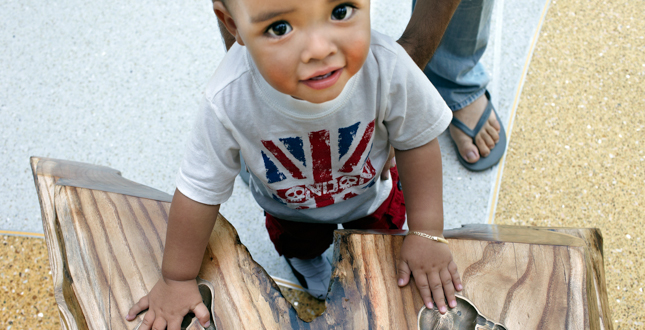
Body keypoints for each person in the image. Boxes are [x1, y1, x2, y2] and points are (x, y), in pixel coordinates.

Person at [126, 0, 463, 328]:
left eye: (340, 11)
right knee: (302, 247)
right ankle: (307, 263)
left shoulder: (387, 65)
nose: (318, 49)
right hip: (290, 210)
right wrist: (177, 277)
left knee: (384, 255)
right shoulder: (229, 97)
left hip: (373, 196)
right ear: (233, 25)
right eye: (279, 27)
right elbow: (198, 190)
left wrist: (426, 231)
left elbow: (417, 141)